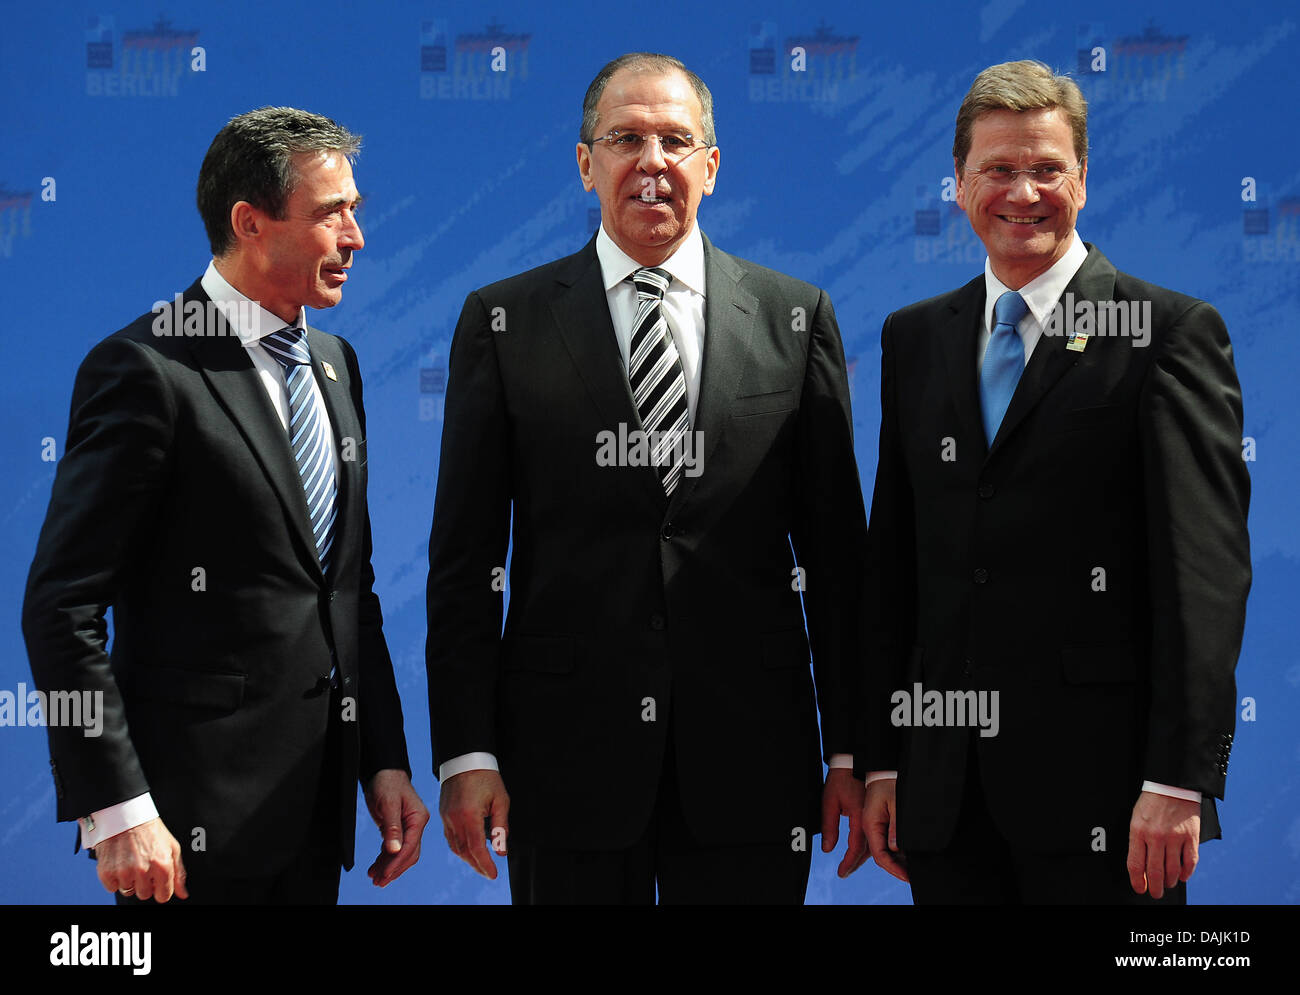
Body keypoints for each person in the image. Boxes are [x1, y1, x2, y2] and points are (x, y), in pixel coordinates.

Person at [426, 52, 870, 903]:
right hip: (562, 767)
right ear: (586, 163)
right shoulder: (504, 322)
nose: (652, 161)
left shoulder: (794, 316)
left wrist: (849, 748)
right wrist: (469, 753)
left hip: (752, 764)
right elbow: (464, 561)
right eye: (625, 138)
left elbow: (839, 564)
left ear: (712, 162)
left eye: (676, 139)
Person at [859, 60, 1250, 904]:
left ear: (1084, 181)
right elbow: (896, 564)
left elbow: (1204, 579)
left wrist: (1179, 781)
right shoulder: (915, 338)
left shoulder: (1167, 333)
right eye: (998, 169)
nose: (1023, 191)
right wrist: (886, 755)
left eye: (1047, 168)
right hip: (947, 801)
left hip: (1108, 802)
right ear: (960, 184)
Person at [22, 106, 428, 905]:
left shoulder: (336, 364)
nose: (356, 237)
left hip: (313, 820)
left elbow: (348, 591)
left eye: (356, 210)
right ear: (250, 222)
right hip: (181, 838)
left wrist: (384, 759)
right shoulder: (145, 369)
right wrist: (116, 809)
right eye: (330, 214)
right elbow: (60, 606)